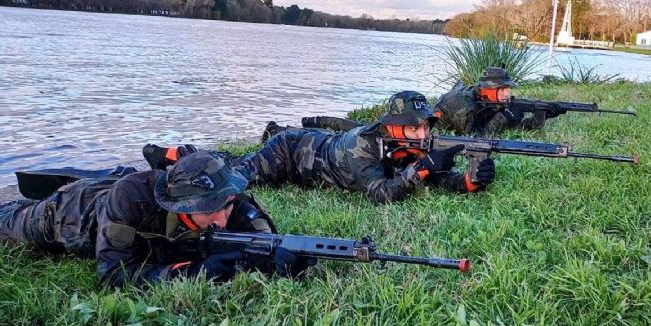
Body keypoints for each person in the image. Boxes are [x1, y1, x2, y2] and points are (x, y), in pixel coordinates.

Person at [0, 152, 312, 287]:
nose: (223, 217)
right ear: (182, 207)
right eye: (209, 210)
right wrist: (191, 272)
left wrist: (279, 258)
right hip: (75, 217)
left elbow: (267, 240)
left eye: (228, 204)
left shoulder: (229, 201)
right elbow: (113, 274)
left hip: (122, 195)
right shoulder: (130, 201)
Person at [151, 91, 496, 204]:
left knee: (238, 164)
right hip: (291, 154)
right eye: (412, 127)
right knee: (236, 175)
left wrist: (470, 181)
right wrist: (422, 168)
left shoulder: (407, 141)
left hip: (316, 149)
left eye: (424, 127)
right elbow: (380, 194)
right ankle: (175, 156)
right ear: (391, 125)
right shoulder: (364, 145)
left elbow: (433, 174)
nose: (421, 135)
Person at [299, 67, 563, 137]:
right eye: (504, 90)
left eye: (508, 91)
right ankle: (316, 122)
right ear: (489, 90)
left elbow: (516, 126)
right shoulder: (463, 103)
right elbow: (476, 135)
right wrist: (505, 116)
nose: (508, 95)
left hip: (427, 122)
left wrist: (543, 114)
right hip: (420, 122)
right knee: (361, 128)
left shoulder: (490, 102)